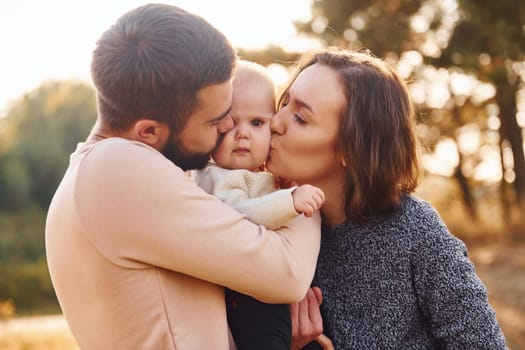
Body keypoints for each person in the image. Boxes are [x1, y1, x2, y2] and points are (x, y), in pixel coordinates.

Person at [44, 4, 322, 349]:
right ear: (148, 131)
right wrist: (303, 185)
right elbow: (287, 275)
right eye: (214, 120)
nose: (226, 128)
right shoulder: (118, 168)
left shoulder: (95, 172)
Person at [265, 48, 508, 349]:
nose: (275, 122)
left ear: (351, 148)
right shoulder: (272, 227)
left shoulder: (417, 232)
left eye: (300, 117)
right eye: (284, 102)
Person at [193, 60, 325, 350]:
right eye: (229, 123)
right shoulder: (215, 176)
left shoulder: (262, 177)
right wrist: (289, 201)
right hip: (246, 301)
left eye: (256, 123)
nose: (243, 133)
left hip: (274, 300)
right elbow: (241, 215)